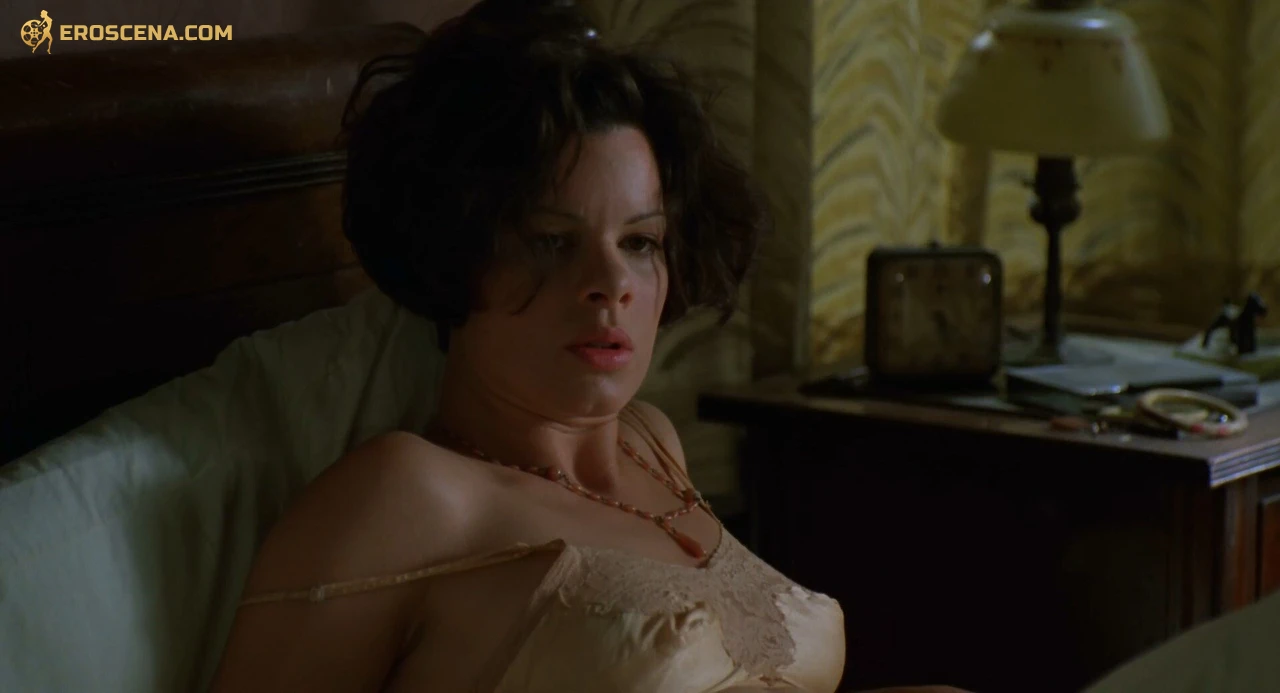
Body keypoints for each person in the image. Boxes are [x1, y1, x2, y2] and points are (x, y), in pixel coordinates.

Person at [210, 1, 964, 691]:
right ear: (452, 253)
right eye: (551, 241)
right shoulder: (404, 495)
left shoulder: (652, 444)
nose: (612, 285)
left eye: (640, 242)